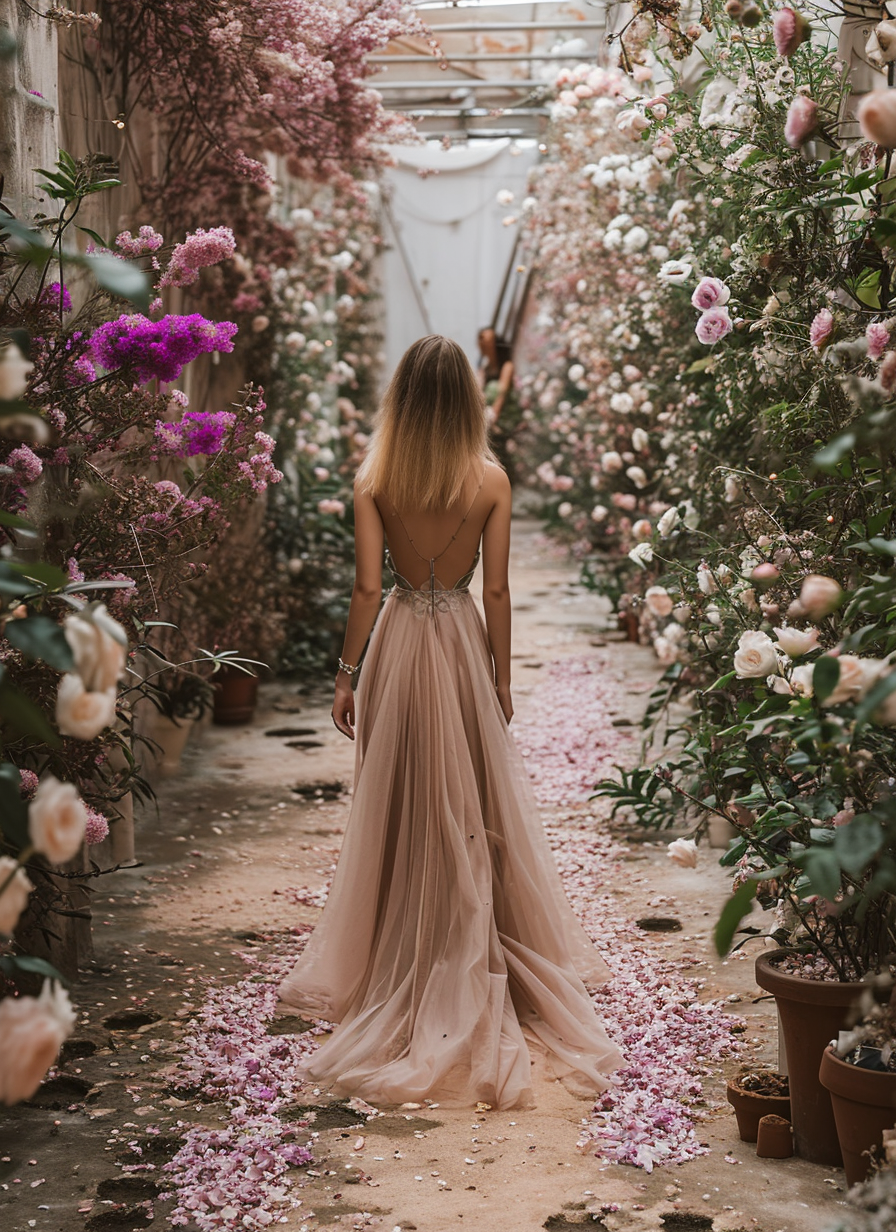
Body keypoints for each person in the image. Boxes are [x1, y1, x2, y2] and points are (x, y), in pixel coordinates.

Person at [276, 335, 623, 1109]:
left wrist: (346, 675)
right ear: (468, 399)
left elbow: (369, 588)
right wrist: (499, 676)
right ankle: (477, 941)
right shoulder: (490, 478)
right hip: (460, 640)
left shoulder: (376, 478)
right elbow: (496, 591)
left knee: (398, 794)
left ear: (400, 398)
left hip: (400, 642)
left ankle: (400, 949)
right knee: (471, 793)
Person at [477, 325, 521, 481]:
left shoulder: (507, 366)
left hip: (505, 418)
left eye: (488, 340)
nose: (484, 343)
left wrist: (494, 414)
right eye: (481, 340)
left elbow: (502, 393)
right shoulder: (484, 369)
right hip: (489, 418)